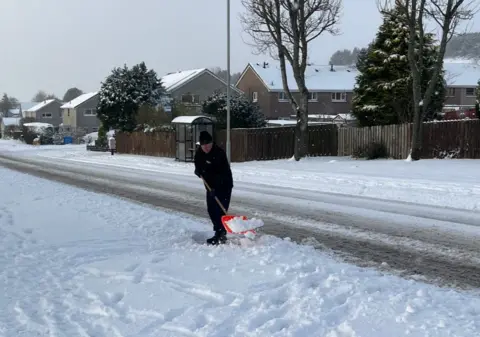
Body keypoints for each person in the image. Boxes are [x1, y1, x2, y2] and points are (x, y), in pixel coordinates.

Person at [194, 130, 233, 245]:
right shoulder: (199, 153)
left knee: (220, 210)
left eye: (208, 144)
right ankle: (219, 232)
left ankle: (220, 234)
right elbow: (197, 164)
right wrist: (198, 171)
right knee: (211, 210)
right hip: (210, 187)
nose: (205, 147)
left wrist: (216, 188)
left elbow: (223, 173)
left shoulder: (219, 153)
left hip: (224, 185)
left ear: (212, 143)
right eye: (203, 145)